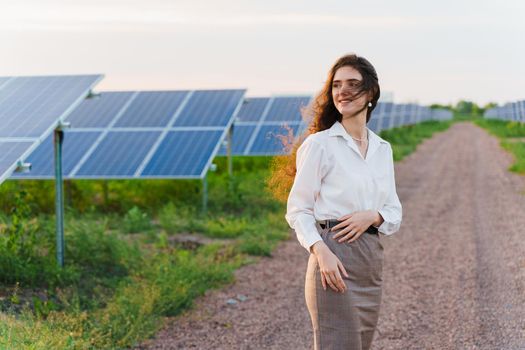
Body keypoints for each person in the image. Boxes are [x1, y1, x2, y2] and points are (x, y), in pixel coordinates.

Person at [284, 53, 402, 350]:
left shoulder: (382, 148)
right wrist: (321, 253)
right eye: (336, 85)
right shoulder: (319, 145)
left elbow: (393, 211)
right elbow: (298, 210)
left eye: (352, 83)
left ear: (371, 92)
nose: (342, 91)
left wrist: (372, 217)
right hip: (333, 258)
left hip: (369, 261)